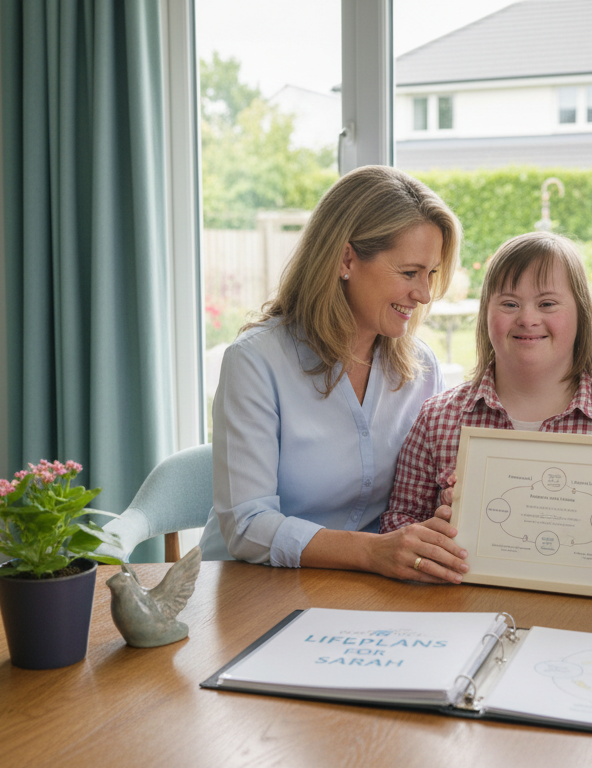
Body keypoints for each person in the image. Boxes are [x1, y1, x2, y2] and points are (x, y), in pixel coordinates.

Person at [186, 164, 468, 583]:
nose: (424, 294)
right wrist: (374, 552)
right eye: (409, 273)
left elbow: (417, 503)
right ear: (346, 259)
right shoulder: (256, 362)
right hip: (249, 588)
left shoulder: (422, 371)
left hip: (363, 592)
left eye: (431, 274)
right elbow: (246, 525)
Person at [380, 232, 592, 587]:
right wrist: (435, 536)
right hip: (465, 615)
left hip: (589, 626)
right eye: (508, 304)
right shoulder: (439, 418)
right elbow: (397, 525)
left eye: (548, 304)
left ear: (581, 314)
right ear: (485, 314)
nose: (527, 318)